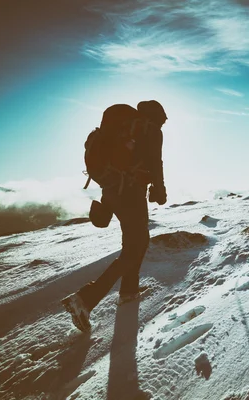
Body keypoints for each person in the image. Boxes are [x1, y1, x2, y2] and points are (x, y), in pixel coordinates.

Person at [62, 100, 168, 333]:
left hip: (112, 190)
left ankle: (129, 292)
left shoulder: (126, 127)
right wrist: (159, 190)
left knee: (133, 244)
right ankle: (86, 299)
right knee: (136, 245)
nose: (164, 122)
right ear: (158, 117)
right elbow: (155, 162)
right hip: (130, 191)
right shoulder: (151, 131)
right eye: (163, 119)